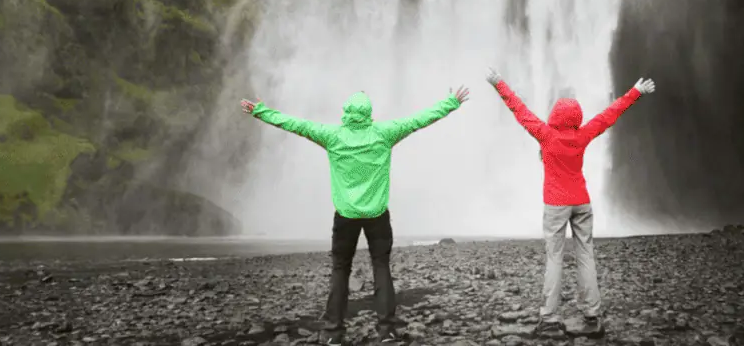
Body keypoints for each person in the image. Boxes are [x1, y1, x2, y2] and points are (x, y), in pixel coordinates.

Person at [240, 86, 471, 345]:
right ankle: (387, 331)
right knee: (381, 267)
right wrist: (451, 102)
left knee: (340, 271)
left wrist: (261, 111)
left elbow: (295, 124)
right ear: (369, 113)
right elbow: (420, 119)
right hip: (377, 215)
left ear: (346, 113)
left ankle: (334, 334)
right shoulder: (385, 133)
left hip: (346, 216)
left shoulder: (332, 136)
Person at [484, 68, 655, 338]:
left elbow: (520, 110)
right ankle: (592, 316)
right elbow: (609, 115)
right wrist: (636, 92)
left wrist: (498, 83)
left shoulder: (545, 135)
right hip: (582, 203)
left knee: (555, 258)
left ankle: (550, 319)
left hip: (556, 204)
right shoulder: (583, 135)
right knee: (586, 255)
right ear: (577, 118)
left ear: (554, 116)